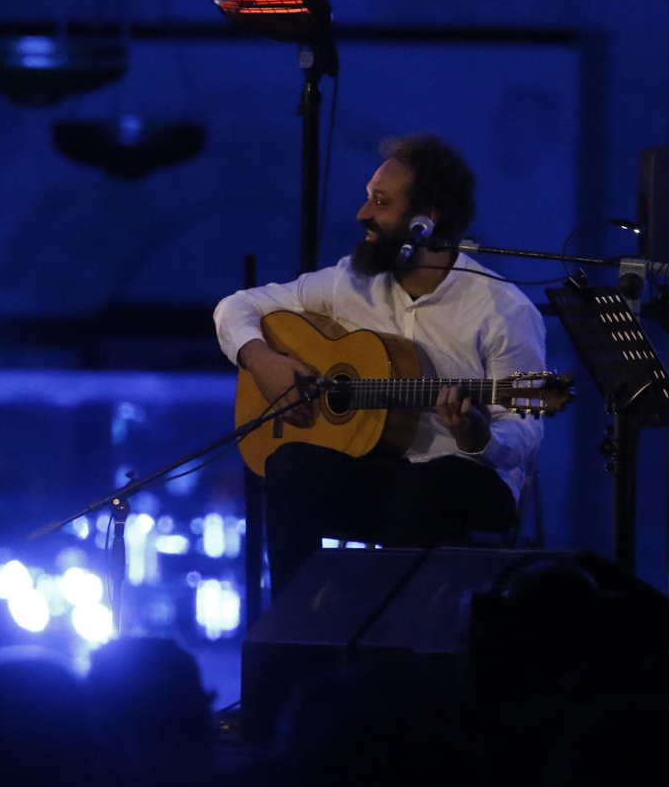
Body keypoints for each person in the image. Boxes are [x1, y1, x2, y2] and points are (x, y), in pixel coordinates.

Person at [214, 133, 545, 595]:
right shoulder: (351, 282)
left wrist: (479, 435)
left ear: (425, 224)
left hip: (467, 482)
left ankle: (397, 645)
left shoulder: (503, 309)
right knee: (289, 464)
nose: (362, 214)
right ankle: (297, 630)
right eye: (369, 198)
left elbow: (526, 430)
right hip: (373, 470)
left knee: (422, 487)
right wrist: (262, 359)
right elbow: (236, 306)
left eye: (380, 202)